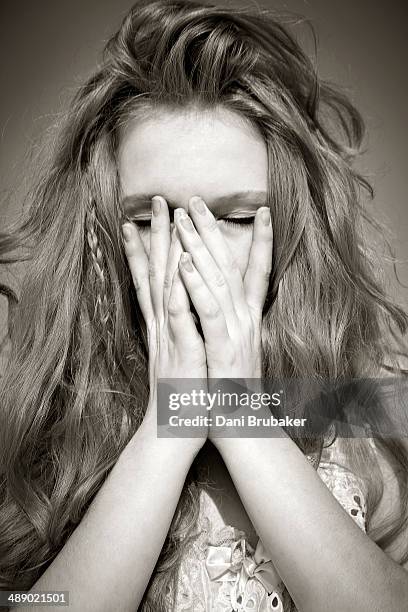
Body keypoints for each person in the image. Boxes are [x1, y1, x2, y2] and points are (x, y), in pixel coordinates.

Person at [0, 0, 408, 610]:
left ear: (293, 224)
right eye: (149, 219)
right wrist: (170, 428)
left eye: (237, 217)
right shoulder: (35, 415)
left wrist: (244, 419)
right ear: (101, 232)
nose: (194, 256)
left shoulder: (367, 408)